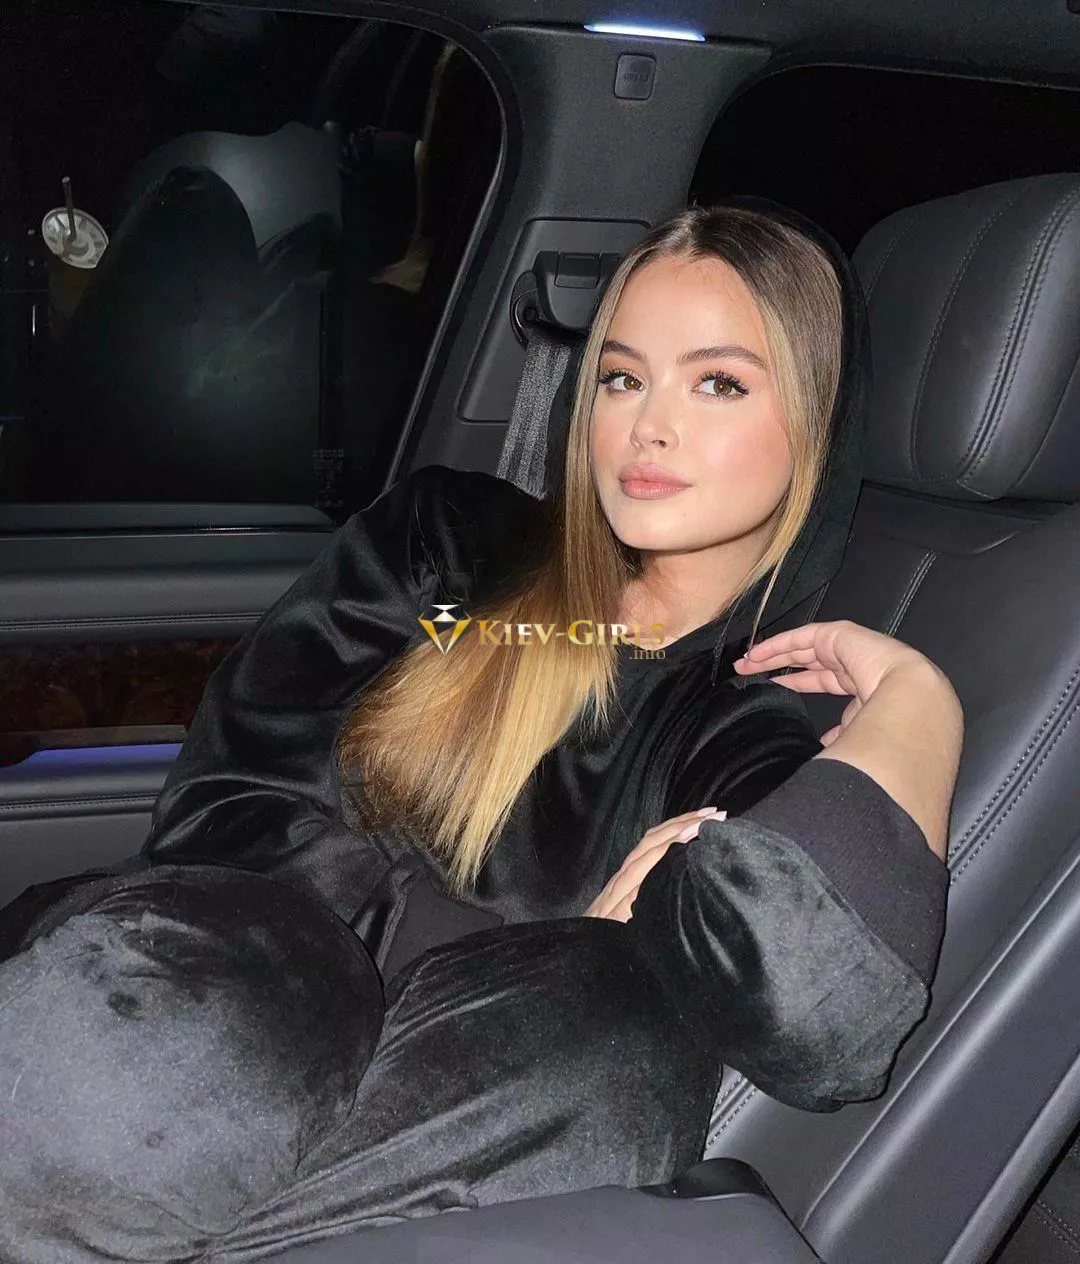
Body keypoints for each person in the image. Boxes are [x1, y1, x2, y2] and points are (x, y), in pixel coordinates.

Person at [0, 199, 962, 1262]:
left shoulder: (733, 723)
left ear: (815, 422)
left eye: (719, 383)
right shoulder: (451, 553)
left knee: (608, 1025)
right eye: (622, 377)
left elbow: (822, 1022)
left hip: (392, 1142)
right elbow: (228, 799)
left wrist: (922, 703)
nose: (648, 426)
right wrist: (441, 953)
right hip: (172, 1026)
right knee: (263, 984)